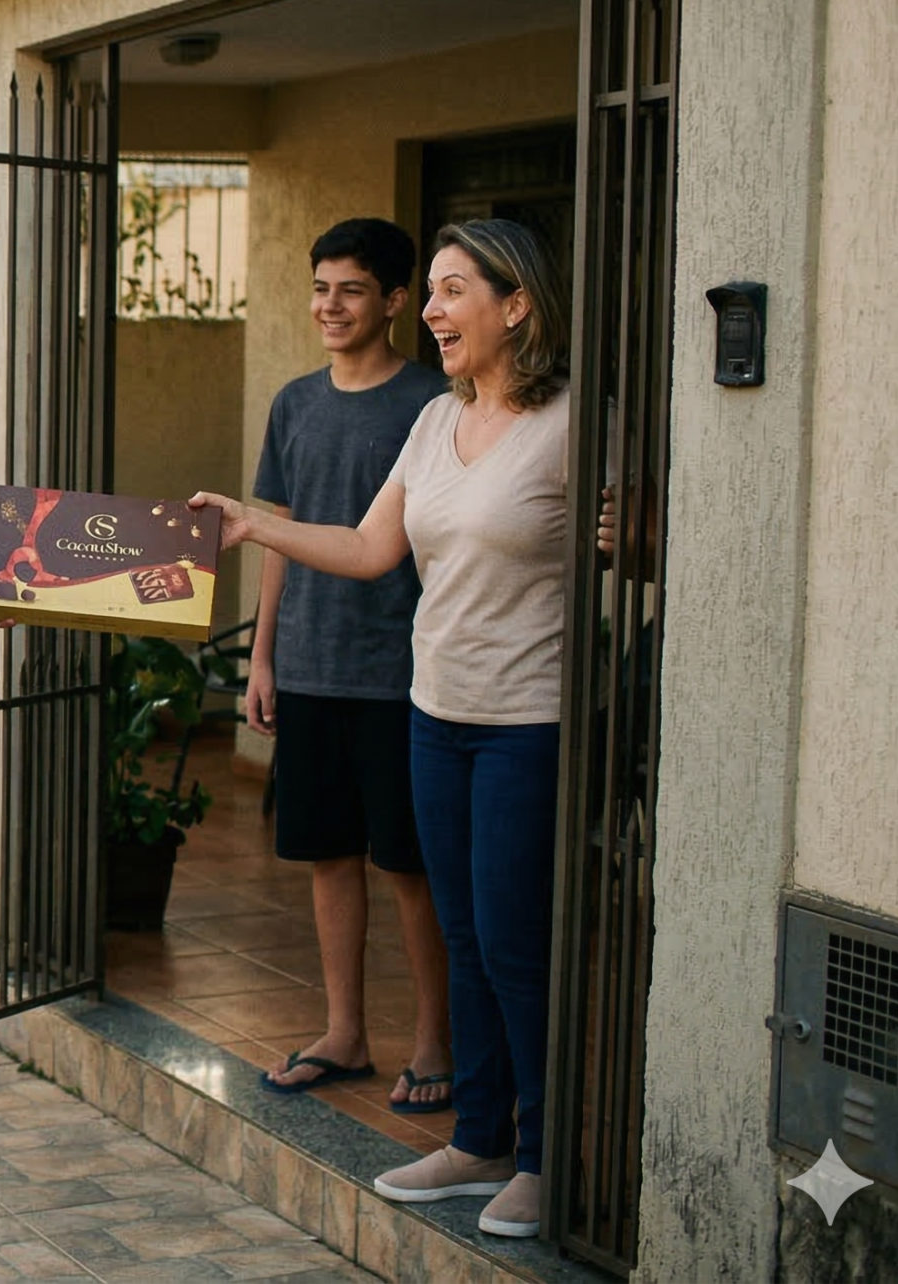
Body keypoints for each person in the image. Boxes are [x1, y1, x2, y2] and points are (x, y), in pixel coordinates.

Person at [192, 217, 571, 1239]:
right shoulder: (434, 422)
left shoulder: (574, 421)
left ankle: (544, 1156)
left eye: (454, 293)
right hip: (433, 712)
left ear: (516, 304)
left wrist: (641, 533)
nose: (440, 311)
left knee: (510, 939)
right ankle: (480, 1136)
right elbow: (366, 548)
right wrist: (251, 521)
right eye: (436, 293)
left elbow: (655, 530)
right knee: (460, 928)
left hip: (524, 720)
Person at [245, 219, 455, 1114]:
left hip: (401, 676)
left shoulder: (431, 403)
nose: (330, 306)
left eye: (353, 290)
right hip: (309, 667)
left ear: (397, 300)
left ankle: (436, 1044)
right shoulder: (294, 402)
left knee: (410, 867)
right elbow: (277, 535)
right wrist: (261, 655)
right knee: (328, 857)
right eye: (321, 287)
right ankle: (345, 1034)